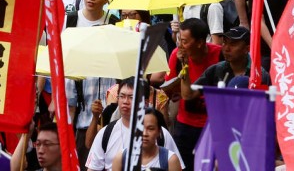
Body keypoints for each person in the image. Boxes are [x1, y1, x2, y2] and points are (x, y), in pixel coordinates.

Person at [85, 80, 181, 171]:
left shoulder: (162, 134)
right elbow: (93, 168)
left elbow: (176, 165)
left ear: (146, 103)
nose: (125, 102)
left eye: (131, 97)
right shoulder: (106, 133)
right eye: (122, 96)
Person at [170, 19, 221, 169]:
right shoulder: (177, 56)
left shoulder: (219, 55)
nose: (180, 45)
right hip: (185, 125)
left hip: (212, 126)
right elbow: (171, 86)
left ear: (199, 42)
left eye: (184, 41)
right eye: (179, 40)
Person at [109, 109, 180, 171]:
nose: (145, 133)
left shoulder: (170, 160)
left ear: (159, 132)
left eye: (150, 128)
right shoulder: (121, 158)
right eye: (140, 128)